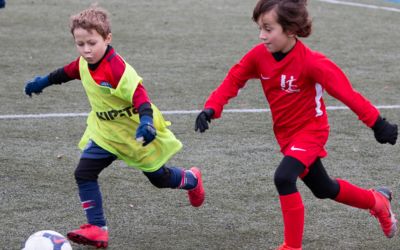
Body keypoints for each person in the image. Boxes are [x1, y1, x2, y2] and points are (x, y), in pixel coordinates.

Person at [194, 0, 398, 249]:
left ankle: (291, 246)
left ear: (290, 29)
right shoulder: (259, 56)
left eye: (268, 29)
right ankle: (377, 201)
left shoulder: (312, 63)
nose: (262, 36)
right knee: (324, 188)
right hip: (287, 136)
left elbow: (348, 94)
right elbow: (234, 78)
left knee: (283, 178)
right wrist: (211, 107)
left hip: (311, 132)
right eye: (260, 28)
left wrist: (377, 123)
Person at [24, 6, 205, 249]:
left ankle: (191, 179)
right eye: (80, 44)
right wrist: (42, 82)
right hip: (106, 134)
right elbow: (64, 73)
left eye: (92, 43)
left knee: (159, 179)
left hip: (135, 134)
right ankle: (97, 228)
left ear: (107, 39)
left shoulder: (117, 68)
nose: (86, 50)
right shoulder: (83, 63)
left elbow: (140, 96)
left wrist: (146, 122)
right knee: (84, 173)